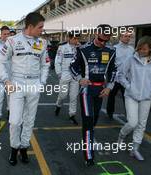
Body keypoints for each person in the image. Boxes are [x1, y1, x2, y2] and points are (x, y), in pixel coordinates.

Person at [0, 12, 50, 166]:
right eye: (40, 27)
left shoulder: (42, 43)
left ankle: (24, 148)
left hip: (34, 84)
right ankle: (14, 148)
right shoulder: (12, 41)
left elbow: (45, 64)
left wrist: (42, 83)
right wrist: (6, 80)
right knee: (14, 121)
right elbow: (1, 62)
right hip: (16, 83)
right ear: (30, 26)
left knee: (29, 120)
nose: (42, 30)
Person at [70, 24, 117, 166]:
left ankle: (88, 138)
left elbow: (113, 71)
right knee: (88, 121)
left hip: (101, 91)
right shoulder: (83, 49)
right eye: (101, 39)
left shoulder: (111, 50)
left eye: (106, 40)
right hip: (86, 91)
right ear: (96, 33)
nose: (103, 43)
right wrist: (80, 79)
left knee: (94, 121)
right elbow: (72, 67)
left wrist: (109, 87)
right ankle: (88, 156)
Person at [117, 36, 151, 161]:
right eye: (140, 48)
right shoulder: (131, 59)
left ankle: (134, 149)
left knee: (141, 124)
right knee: (132, 122)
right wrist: (128, 87)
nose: (141, 51)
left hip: (146, 97)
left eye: (144, 49)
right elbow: (120, 75)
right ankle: (121, 136)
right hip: (131, 95)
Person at [106, 31, 134, 119]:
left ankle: (129, 115)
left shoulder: (132, 49)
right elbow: (109, 63)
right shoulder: (114, 48)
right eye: (125, 36)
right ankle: (109, 112)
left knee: (127, 98)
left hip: (126, 78)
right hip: (115, 77)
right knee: (111, 96)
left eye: (129, 36)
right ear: (120, 37)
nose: (127, 38)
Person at [54, 32, 80, 125]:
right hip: (65, 73)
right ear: (69, 38)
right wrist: (59, 73)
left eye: (77, 38)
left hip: (76, 75)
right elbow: (57, 61)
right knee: (63, 95)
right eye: (74, 38)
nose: (76, 40)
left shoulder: (80, 48)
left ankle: (72, 115)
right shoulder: (62, 47)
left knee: (73, 96)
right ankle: (58, 105)